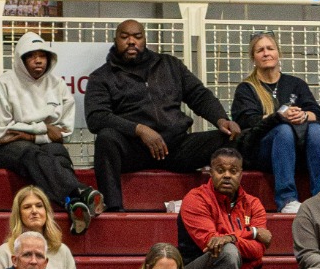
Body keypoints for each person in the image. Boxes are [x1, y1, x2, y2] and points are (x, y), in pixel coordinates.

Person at [86, 20, 240, 214]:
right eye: (124, 37)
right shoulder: (102, 76)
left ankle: (232, 206)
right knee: (106, 139)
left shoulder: (170, 65)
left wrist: (220, 119)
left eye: (137, 37)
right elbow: (96, 117)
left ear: (145, 39)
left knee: (229, 138)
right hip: (133, 150)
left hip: (176, 147)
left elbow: (199, 95)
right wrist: (139, 129)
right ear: (115, 40)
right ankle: (113, 209)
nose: (131, 41)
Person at [178, 146, 304, 269]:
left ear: (241, 174)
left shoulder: (253, 204)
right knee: (227, 252)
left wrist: (230, 237)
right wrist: (252, 233)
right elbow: (211, 243)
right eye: (220, 170)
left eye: (233, 171)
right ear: (210, 172)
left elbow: (258, 251)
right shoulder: (195, 199)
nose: (227, 175)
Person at [0, 32, 100, 233]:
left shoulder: (57, 84)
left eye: (42, 55)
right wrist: (44, 128)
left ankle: (72, 204)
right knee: (32, 153)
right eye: (32, 56)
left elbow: (64, 130)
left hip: (44, 145)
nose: (38, 60)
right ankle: (77, 191)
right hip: (6, 149)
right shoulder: (4, 83)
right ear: (21, 59)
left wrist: (32, 134)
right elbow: (1, 131)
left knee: (58, 154)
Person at [231, 33, 320, 215]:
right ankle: (287, 199)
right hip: (262, 150)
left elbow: (319, 115)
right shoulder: (246, 88)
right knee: (283, 130)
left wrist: (303, 115)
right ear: (253, 57)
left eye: (270, 48)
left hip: (298, 148)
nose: (266, 53)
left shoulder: (295, 84)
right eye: (260, 50)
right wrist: (279, 116)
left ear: (278, 53)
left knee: (315, 129)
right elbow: (247, 121)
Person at [0, 185, 83, 269]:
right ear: (19, 214)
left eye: (39, 206)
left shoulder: (62, 251)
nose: (34, 211)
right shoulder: (5, 251)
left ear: (46, 212)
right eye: (27, 207)